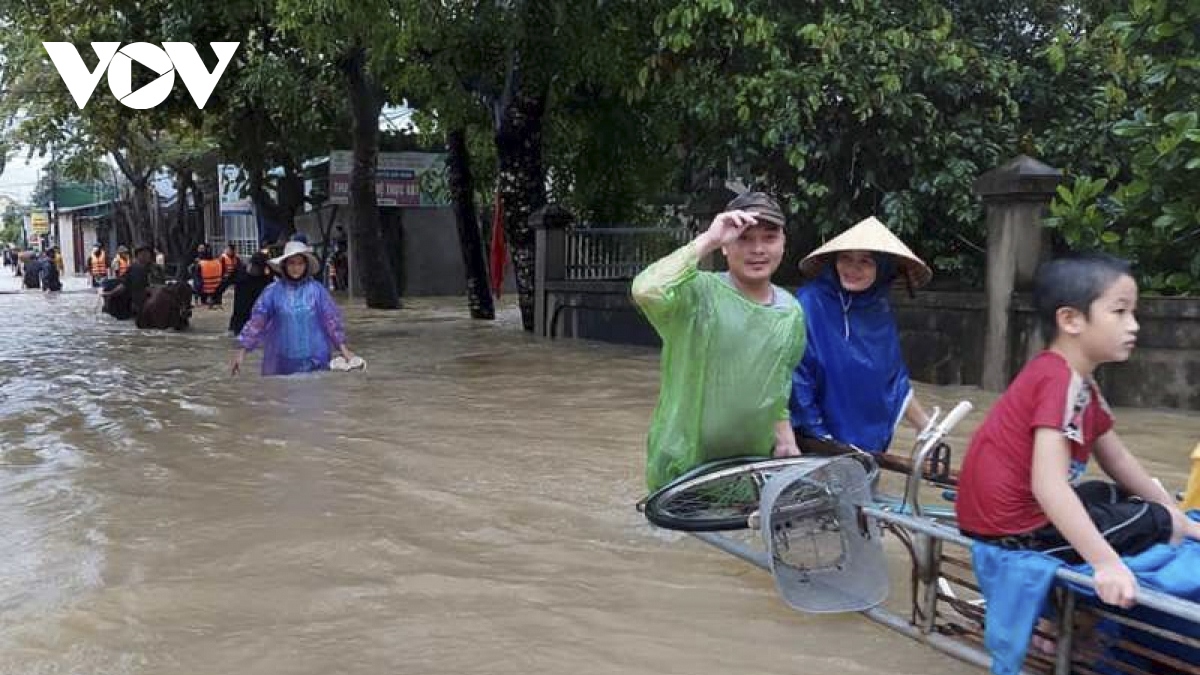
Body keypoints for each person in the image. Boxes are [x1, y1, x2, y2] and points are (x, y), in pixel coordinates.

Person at [955, 252, 1200, 609]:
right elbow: (1049, 484)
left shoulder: (1076, 381)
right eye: (1119, 312)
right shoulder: (1060, 382)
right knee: (1153, 519)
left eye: (1133, 312)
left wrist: (1169, 508)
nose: (1133, 325)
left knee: (1110, 493)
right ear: (1070, 320)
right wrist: (1106, 563)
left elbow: (1118, 458)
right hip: (1016, 534)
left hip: (1014, 521)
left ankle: (1179, 524)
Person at [632, 192, 806, 493]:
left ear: (783, 243)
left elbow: (778, 388)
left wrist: (786, 440)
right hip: (681, 468)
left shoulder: (790, 311)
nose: (758, 250)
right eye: (744, 239)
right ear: (726, 247)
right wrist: (708, 240)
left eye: (768, 238)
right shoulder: (696, 295)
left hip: (748, 472)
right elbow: (647, 290)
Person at [789, 216, 932, 454]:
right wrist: (819, 436)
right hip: (813, 442)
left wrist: (925, 426)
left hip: (868, 444)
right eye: (845, 258)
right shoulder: (810, 304)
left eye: (865, 261)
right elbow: (797, 376)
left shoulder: (879, 310)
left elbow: (892, 380)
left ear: (883, 267)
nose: (852, 269)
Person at [230, 240, 357, 376]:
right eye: (291, 263)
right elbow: (256, 323)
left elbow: (332, 322)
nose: (295, 268)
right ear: (284, 265)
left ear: (306, 266)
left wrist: (344, 351)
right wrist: (242, 352)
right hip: (283, 361)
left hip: (315, 360)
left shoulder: (317, 291)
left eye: (300, 263)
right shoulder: (272, 292)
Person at [216, 251, 273, 336]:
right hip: (238, 317)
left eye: (256, 268)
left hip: (255, 316)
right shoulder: (240, 271)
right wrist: (215, 297)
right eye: (252, 265)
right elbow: (225, 283)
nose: (253, 269)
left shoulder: (266, 278)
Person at [101, 245, 155, 318]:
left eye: (148, 254)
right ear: (137, 256)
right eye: (143, 254)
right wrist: (111, 294)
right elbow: (123, 285)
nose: (146, 256)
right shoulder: (134, 268)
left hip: (150, 301)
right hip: (138, 302)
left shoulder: (155, 269)